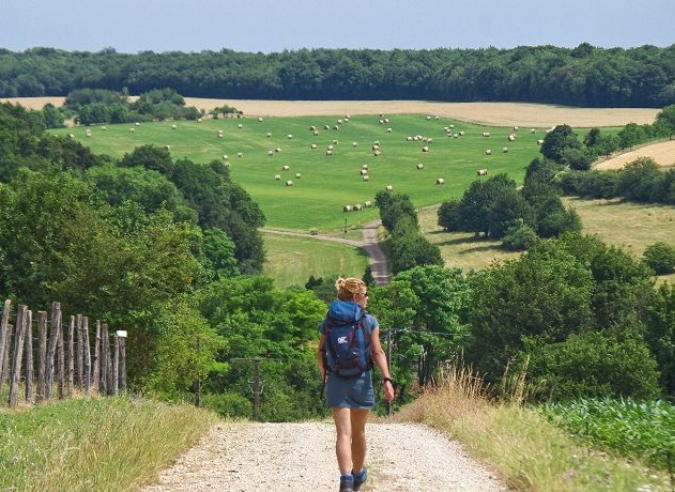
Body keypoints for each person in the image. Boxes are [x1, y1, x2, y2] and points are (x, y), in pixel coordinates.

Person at [317, 277, 395, 492]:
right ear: (355, 297)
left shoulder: (329, 321)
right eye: (365, 295)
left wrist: (327, 375)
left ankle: (345, 481)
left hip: (336, 381)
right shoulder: (369, 321)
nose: (367, 299)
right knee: (358, 432)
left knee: (343, 433)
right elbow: (378, 352)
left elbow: (320, 353)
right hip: (361, 380)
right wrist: (387, 379)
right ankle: (358, 474)